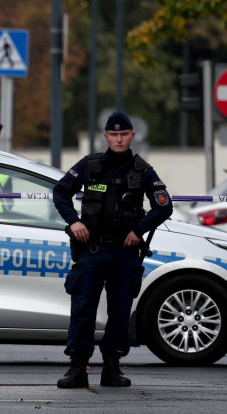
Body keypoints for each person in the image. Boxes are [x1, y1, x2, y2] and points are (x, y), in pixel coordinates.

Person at [52, 111, 172, 389]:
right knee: (83, 309)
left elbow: (164, 205)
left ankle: (111, 368)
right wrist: (74, 222)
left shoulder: (142, 170)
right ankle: (77, 368)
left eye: (124, 134)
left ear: (132, 136)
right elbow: (61, 192)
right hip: (91, 250)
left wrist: (138, 231)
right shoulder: (89, 164)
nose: (119, 139)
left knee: (120, 311)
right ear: (105, 137)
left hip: (123, 252)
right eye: (114, 134)